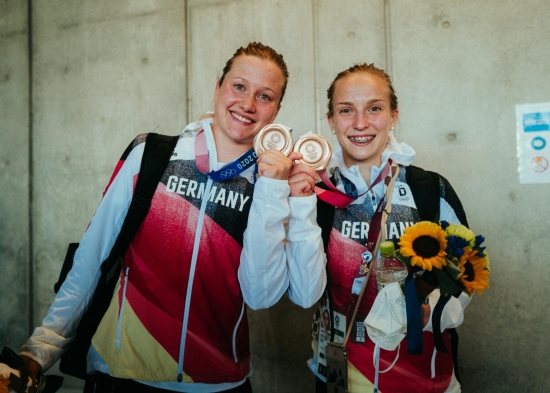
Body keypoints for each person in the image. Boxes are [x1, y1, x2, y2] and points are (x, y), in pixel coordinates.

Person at [19, 42, 326, 393]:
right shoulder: (150, 154)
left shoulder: (274, 182)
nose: (247, 104)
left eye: (265, 96)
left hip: (217, 383)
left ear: (276, 111)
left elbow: (259, 296)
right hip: (123, 376)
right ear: (217, 88)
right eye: (239, 86)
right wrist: (39, 351)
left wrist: (273, 191)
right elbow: (91, 260)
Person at [303, 63, 470, 392]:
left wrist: (430, 308)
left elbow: (467, 276)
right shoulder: (316, 194)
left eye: (374, 108)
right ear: (331, 121)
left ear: (393, 116)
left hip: (420, 379)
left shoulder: (429, 189)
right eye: (346, 110)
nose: (361, 123)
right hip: (336, 376)